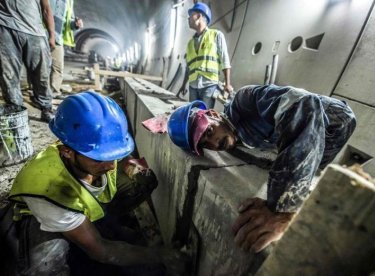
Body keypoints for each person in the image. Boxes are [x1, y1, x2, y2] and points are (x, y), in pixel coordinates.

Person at [6, 91, 185, 274]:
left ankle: (105, 224)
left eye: (113, 154)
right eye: (100, 159)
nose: (111, 165)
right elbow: (102, 251)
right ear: (67, 152)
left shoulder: (92, 144)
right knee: (47, 266)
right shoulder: (51, 189)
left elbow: (120, 153)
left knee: (143, 180)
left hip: (79, 205)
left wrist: (132, 165)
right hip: (43, 218)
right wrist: (159, 255)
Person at [168, 84, 356, 253]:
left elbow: (304, 104)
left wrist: (282, 208)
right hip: (315, 130)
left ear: (214, 115)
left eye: (209, 132)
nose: (214, 143)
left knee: (302, 179)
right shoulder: (237, 138)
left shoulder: (244, 101)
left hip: (335, 119)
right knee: (307, 177)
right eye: (205, 145)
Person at [0, 0, 55, 122]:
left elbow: (46, 8)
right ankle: (16, 111)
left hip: (35, 31)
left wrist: (52, 35)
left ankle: (46, 107)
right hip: (5, 27)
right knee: (8, 74)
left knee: (42, 73)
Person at [178, 2, 233, 109]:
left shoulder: (216, 35)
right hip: (193, 85)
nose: (188, 18)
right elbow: (188, 67)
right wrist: (184, 84)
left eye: (191, 15)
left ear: (198, 16)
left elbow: (225, 60)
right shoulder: (190, 44)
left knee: (204, 117)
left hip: (209, 85)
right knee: (193, 114)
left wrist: (227, 84)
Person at [49, 0, 83, 98]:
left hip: (57, 38)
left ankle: (54, 92)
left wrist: (76, 24)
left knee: (58, 67)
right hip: (42, 34)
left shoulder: (68, 2)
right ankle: (36, 91)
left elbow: (69, 22)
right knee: (39, 66)